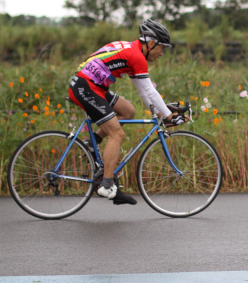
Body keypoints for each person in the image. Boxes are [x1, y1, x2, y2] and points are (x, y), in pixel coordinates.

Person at [68, 20, 186, 205]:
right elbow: (149, 91)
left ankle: (93, 142)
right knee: (117, 134)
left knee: (128, 111)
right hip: (87, 88)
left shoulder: (132, 50)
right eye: (162, 47)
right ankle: (106, 186)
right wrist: (168, 115)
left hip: (93, 87)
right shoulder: (136, 56)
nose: (162, 53)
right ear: (151, 43)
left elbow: (144, 92)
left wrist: (161, 113)